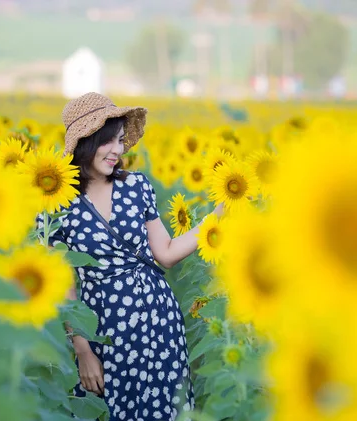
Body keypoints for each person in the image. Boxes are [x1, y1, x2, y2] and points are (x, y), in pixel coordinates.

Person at [37, 92, 223, 421]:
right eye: (108, 142)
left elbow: (165, 253)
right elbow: (61, 282)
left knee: (163, 410)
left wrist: (216, 219)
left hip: (157, 320)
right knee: (105, 409)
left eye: (121, 141)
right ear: (85, 142)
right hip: (101, 328)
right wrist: (82, 349)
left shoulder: (135, 186)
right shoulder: (58, 201)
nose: (118, 151)